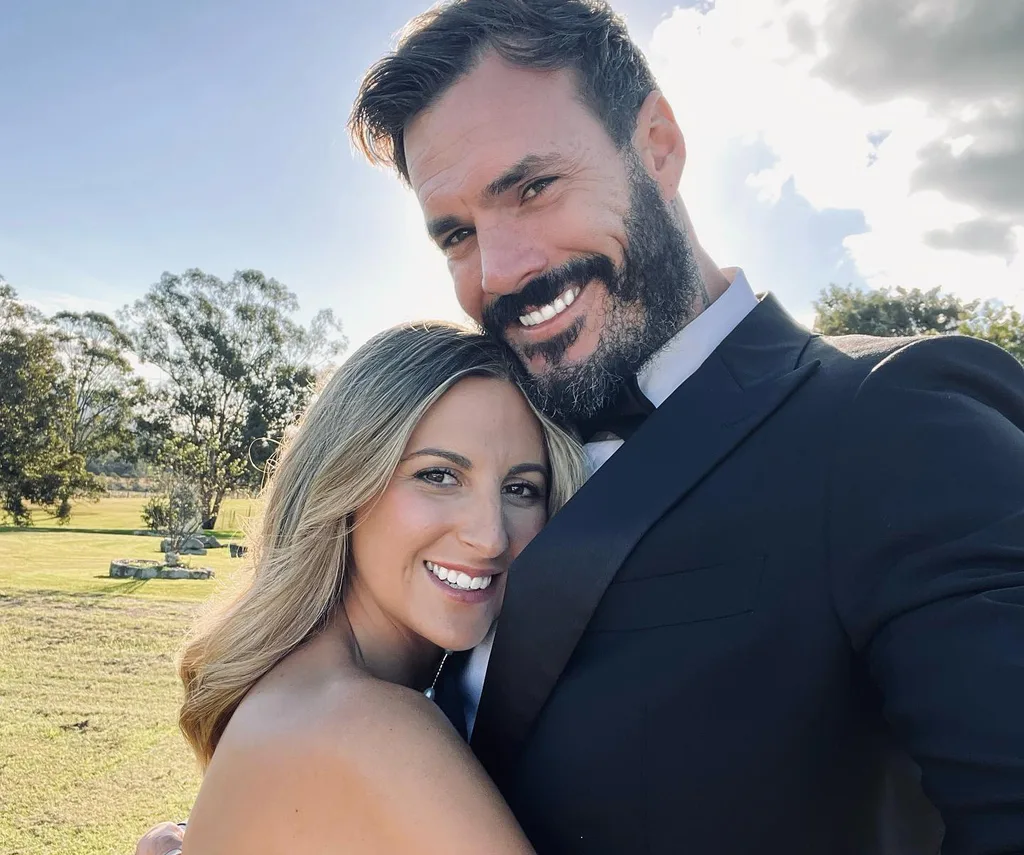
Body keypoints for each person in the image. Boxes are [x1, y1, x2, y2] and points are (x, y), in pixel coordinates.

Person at [140, 0, 1024, 853]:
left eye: (533, 187)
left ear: (659, 145)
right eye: (456, 235)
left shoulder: (897, 419)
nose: (501, 269)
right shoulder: (504, 433)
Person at [158, 322, 586, 854]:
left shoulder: (301, 690)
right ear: (346, 482)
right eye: (438, 476)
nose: (491, 536)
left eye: (520, 489)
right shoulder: (377, 728)